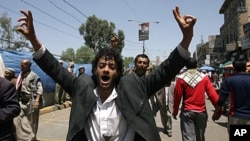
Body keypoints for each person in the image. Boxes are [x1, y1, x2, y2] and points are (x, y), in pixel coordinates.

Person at [16, 6, 196, 141]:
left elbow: (165, 71)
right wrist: (33, 39)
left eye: (111, 66)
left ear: (117, 72)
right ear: (95, 70)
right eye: (102, 65)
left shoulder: (134, 87)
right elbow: (54, 69)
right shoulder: (82, 86)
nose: (106, 69)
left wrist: (186, 38)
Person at [172, 58, 219, 141]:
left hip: (187, 112)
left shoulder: (181, 78)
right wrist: (218, 110)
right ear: (196, 65)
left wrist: (175, 111)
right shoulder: (204, 78)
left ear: (186, 66)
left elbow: (177, 97)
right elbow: (212, 95)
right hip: (201, 112)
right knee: (200, 137)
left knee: (188, 138)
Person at [212, 59, 250, 133]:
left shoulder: (229, 80)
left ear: (234, 68)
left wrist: (216, 113)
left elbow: (221, 100)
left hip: (235, 116)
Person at [15, 59, 43, 140]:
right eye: (21, 65)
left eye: (23, 65)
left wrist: (37, 101)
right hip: (22, 101)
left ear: (29, 66)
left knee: (32, 122)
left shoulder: (34, 76)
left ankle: (33, 138)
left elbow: (40, 89)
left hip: (31, 101)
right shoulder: (20, 75)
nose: (21, 67)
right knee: (19, 119)